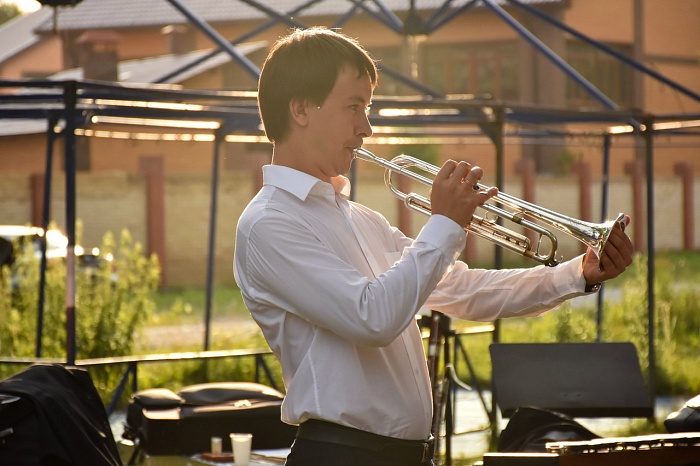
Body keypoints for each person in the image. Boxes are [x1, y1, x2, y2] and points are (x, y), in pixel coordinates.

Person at [233, 27, 633, 466]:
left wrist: (577, 274)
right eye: (353, 107)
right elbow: (372, 317)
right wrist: (443, 223)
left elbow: (461, 290)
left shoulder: (360, 218)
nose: (366, 128)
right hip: (340, 454)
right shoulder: (268, 224)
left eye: (367, 109)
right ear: (300, 109)